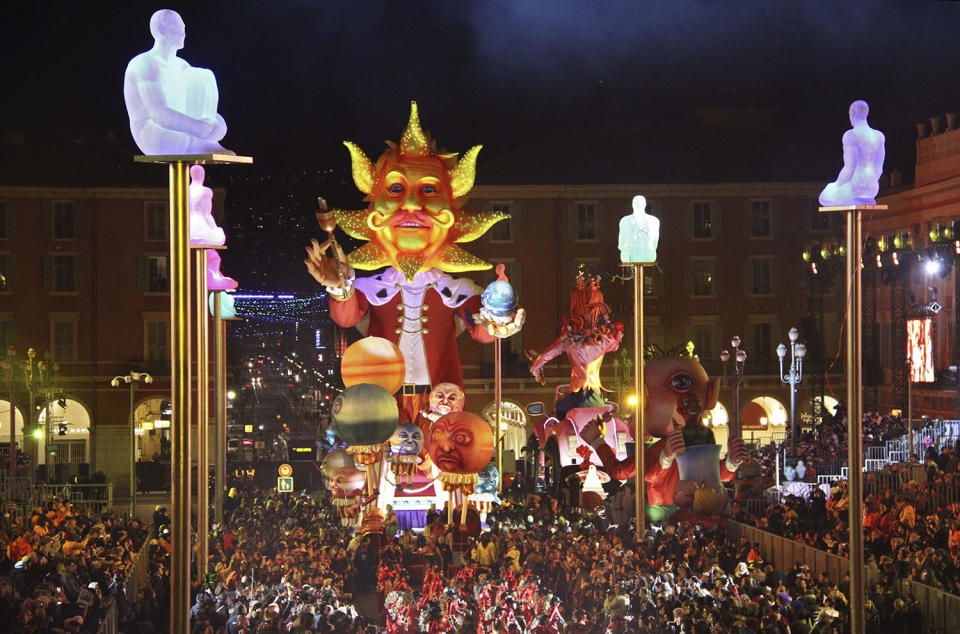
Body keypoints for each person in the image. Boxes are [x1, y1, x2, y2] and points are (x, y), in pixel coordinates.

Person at [124, 9, 231, 155]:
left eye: (183, 28)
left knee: (202, 75)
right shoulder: (144, 63)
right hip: (153, 133)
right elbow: (159, 114)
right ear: (161, 31)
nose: (183, 33)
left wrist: (215, 124)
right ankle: (199, 141)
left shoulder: (182, 65)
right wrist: (201, 129)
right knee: (198, 77)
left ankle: (205, 142)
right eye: (177, 28)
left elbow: (196, 106)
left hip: (189, 130)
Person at [819, 100, 885, 207]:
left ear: (852, 113)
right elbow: (879, 168)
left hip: (855, 186)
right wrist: (870, 181)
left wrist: (837, 185)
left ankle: (852, 197)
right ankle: (863, 199)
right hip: (873, 187)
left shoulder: (851, 135)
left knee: (825, 194)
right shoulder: (879, 136)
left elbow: (850, 168)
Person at [618, 194, 660, 263]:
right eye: (636, 203)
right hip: (631, 256)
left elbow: (655, 243)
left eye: (639, 203)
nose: (638, 205)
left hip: (647, 256)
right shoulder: (625, 220)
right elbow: (621, 243)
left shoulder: (654, 221)